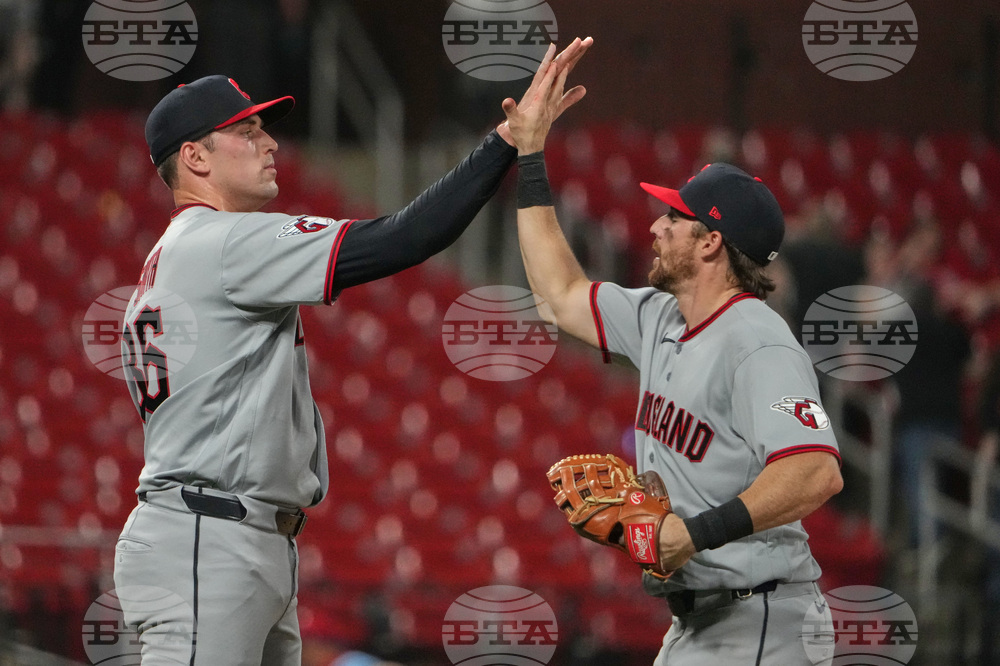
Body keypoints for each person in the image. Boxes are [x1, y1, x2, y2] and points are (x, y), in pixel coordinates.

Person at [113, 38, 591, 664]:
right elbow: (405, 238)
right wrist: (508, 139)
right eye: (247, 130)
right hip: (209, 538)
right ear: (195, 157)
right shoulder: (224, 243)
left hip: (227, 535)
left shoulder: (173, 256)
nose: (270, 142)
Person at [502, 56, 844, 664]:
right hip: (700, 622)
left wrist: (693, 533)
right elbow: (558, 294)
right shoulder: (658, 315)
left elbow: (817, 472)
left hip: (764, 617)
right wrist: (530, 159)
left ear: (712, 242)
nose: (656, 227)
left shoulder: (759, 343)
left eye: (674, 218)